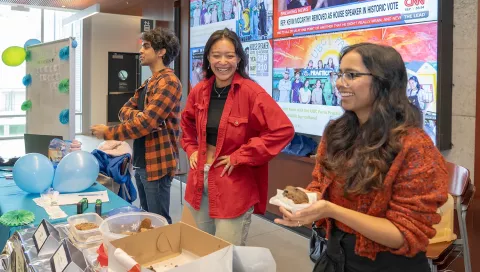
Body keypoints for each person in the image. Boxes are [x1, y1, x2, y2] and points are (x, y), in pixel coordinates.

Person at [275, 43, 448, 271]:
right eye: (340, 74)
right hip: (335, 257)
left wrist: (330, 210)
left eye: (351, 75)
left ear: (383, 81)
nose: (339, 82)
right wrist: (304, 203)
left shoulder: (415, 146)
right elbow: (320, 184)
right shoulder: (337, 132)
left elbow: (403, 234)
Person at [181, 28, 295, 246]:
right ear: (207, 58)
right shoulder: (200, 91)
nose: (222, 62)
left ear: (239, 58)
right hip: (198, 179)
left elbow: (282, 130)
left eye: (229, 55)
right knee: (197, 247)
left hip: (232, 184)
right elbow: (186, 124)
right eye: (216, 55)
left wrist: (241, 156)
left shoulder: (252, 93)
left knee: (225, 254)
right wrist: (191, 148)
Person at [90, 27, 182, 224]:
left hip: (157, 163)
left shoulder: (169, 82)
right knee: (146, 218)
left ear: (161, 51)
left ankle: (164, 254)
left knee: (159, 222)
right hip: (142, 161)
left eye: (146, 47)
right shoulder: (149, 82)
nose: (141, 51)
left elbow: (146, 123)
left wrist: (108, 132)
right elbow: (123, 111)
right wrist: (143, 117)